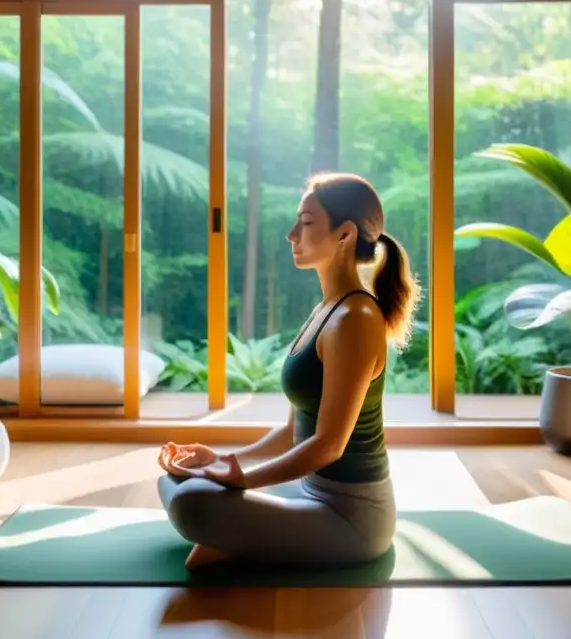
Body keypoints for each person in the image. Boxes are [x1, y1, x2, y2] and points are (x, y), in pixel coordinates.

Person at [157, 172, 421, 570]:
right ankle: (237, 539)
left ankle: (234, 540)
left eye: (307, 222)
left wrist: (240, 481)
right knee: (175, 481)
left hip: (351, 517)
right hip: (306, 492)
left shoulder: (356, 318)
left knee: (193, 502)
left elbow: (328, 446)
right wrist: (222, 461)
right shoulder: (326, 311)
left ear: (345, 235)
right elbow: (293, 432)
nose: (291, 233)